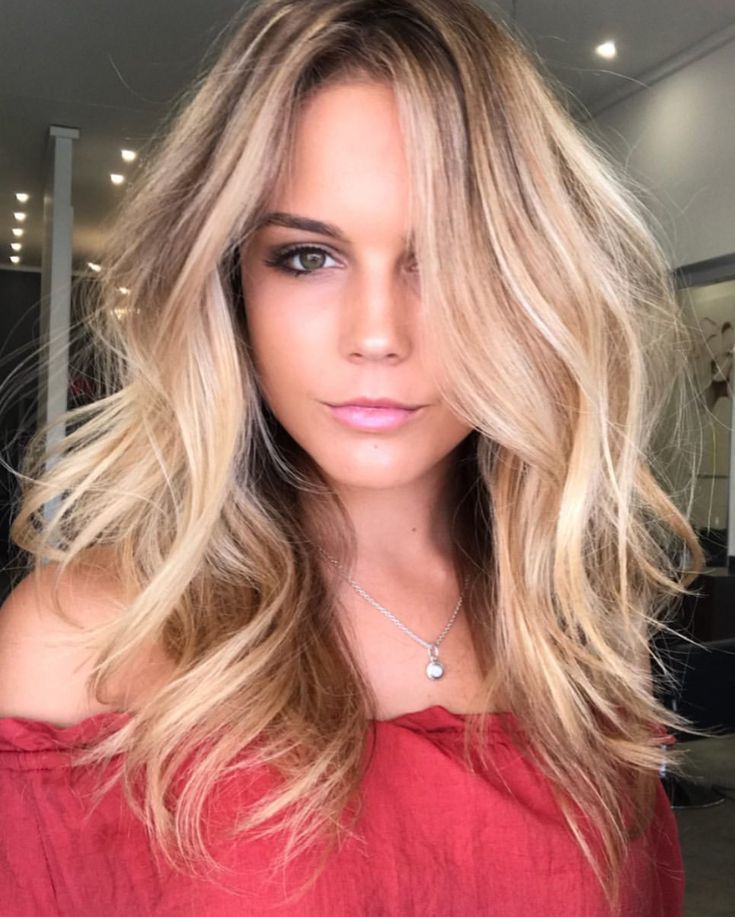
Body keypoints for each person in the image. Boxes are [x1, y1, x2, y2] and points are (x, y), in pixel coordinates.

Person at [0, 1, 706, 914]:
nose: (376, 333)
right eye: (306, 257)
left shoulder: (576, 632)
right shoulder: (80, 639)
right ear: (227, 283)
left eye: (448, 258)